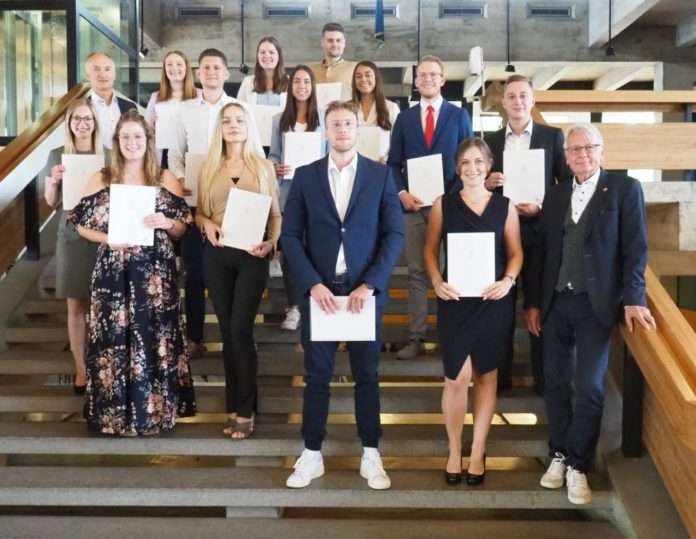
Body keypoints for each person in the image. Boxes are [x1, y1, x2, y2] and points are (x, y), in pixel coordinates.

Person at [526, 124, 656, 504]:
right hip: (554, 303)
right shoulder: (556, 194)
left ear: (601, 151)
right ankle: (558, 453)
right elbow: (542, 254)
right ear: (565, 157)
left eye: (588, 147)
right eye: (574, 149)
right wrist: (533, 302)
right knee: (554, 382)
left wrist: (634, 298)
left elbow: (635, 250)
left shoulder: (625, 189)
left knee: (590, 387)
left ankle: (578, 464)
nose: (581, 154)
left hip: (595, 304)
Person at [281, 101, 404, 490]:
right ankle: (311, 454)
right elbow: (289, 236)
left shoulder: (380, 175)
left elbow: (394, 234)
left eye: (348, 123)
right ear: (326, 130)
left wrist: (371, 284)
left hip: (362, 292)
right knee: (316, 376)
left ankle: (371, 453)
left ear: (357, 129)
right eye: (335, 124)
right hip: (321, 292)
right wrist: (311, 284)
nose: (342, 130)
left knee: (367, 375)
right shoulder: (306, 176)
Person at [70, 110, 196, 436]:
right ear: (117, 141)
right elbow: (81, 224)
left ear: (148, 140)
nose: (132, 142)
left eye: (137, 136)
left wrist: (166, 222)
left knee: (155, 338)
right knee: (112, 340)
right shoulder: (102, 177)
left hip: (156, 274)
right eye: (125, 136)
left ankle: (153, 414)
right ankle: (113, 418)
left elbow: (183, 227)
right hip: (113, 270)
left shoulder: (164, 178)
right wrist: (108, 239)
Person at [424, 138, 522, 486]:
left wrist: (508, 280)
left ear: (489, 165)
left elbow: (516, 253)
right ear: (457, 168)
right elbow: (430, 250)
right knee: (456, 378)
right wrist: (436, 281)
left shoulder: (506, 206)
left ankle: (478, 450)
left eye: (479, 161)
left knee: (486, 376)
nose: (472, 168)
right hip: (454, 300)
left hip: (493, 301)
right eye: (465, 162)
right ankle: (454, 449)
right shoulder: (443, 204)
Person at [169, 48, 263, 358]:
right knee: (195, 272)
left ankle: (240, 336)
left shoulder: (241, 109)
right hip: (196, 201)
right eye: (205, 67)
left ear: (226, 73)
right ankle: (194, 337)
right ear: (198, 73)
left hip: (236, 200)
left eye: (216, 67)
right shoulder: (184, 110)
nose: (210, 72)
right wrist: (180, 178)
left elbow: (255, 151)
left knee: (238, 270)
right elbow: (175, 154)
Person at [195, 102, 281, 439]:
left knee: (240, 330)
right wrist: (205, 224)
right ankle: (235, 405)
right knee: (227, 333)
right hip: (217, 255)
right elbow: (200, 212)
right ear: (220, 128)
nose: (233, 125)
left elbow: (275, 214)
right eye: (227, 121)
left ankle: (245, 410)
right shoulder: (208, 167)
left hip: (252, 254)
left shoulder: (263, 166)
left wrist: (271, 243)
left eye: (239, 121)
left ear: (248, 127)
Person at [484, 74, 572, 393]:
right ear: (504, 102)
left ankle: (541, 380)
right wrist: (487, 183)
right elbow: (476, 182)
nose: (518, 101)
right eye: (512, 96)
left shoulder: (552, 137)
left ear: (533, 100)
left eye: (523, 96)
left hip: (539, 232)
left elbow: (566, 185)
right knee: (500, 308)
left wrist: (542, 207)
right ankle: (501, 379)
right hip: (501, 234)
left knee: (538, 305)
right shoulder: (491, 140)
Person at [388, 55, 473, 360]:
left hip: (450, 206)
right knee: (416, 273)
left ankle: (452, 337)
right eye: (422, 75)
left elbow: (468, 160)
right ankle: (416, 337)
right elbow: (393, 164)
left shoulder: (458, 116)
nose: (427, 79)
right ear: (415, 81)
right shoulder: (404, 119)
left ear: (442, 79)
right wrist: (401, 193)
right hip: (413, 208)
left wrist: (451, 197)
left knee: (453, 272)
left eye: (433, 75)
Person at [43, 99, 105, 395]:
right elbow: (49, 201)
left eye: (87, 118)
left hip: (102, 233)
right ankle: (81, 368)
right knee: (76, 305)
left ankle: (103, 364)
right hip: (71, 234)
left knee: (103, 304)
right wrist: (54, 182)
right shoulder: (57, 154)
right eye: (77, 119)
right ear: (69, 123)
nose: (83, 124)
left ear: (95, 122)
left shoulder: (107, 154)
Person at [269, 65, 326, 331]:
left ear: (313, 86)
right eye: (297, 82)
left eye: (306, 81)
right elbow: (274, 154)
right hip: (289, 191)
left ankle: (314, 303)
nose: (302, 86)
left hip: (318, 192)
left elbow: (330, 152)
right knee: (290, 252)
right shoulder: (279, 119)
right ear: (290, 87)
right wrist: (275, 166)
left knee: (317, 248)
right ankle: (294, 306)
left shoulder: (323, 117)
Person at [145, 50, 200, 168]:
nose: (174, 68)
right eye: (169, 64)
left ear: (186, 68)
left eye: (179, 64)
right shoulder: (156, 97)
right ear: (164, 69)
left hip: (192, 152)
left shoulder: (200, 95)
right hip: (164, 153)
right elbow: (147, 129)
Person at [84, 52, 136, 150]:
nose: (103, 74)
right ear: (87, 75)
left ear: (114, 75)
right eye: (96, 69)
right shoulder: (81, 108)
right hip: (94, 159)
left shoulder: (130, 107)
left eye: (107, 69)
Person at [351, 60, 400, 162]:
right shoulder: (347, 108)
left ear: (376, 79)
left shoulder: (391, 108)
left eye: (368, 75)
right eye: (358, 76)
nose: (363, 79)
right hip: (353, 165)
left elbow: (398, 141)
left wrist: (385, 159)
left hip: (381, 165)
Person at [236, 36, 288, 108]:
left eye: (271, 52)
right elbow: (239, 109)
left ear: (279, 56)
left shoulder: (290, 82)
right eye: (262, 52)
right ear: (258, 56)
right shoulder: (247, 82)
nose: (266, 55)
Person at [310, 22, 357, 101]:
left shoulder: (355, 68)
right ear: (322, 43)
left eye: (338, 40)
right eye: (330, 40)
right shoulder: (310, 71)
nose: (335, 44)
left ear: (344, 43)